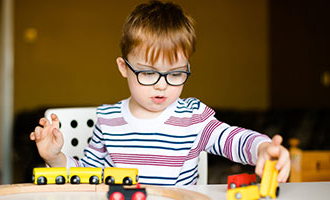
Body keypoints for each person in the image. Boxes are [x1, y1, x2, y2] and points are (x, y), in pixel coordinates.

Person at [30, 0, 290, 185]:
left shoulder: (194, 118)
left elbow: (234, 139)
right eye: (148, 72)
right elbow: (86, 176)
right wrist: (55, 157)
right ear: (124, 67)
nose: (162, 85)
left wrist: (263, 148)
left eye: (176, 73)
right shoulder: (107, 120)